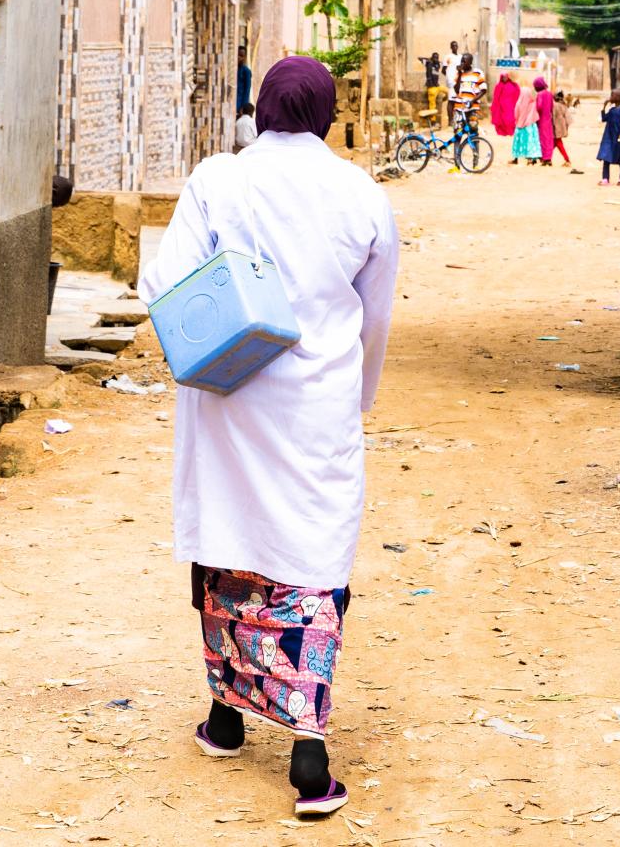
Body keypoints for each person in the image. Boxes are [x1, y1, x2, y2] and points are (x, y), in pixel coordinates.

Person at [137, 55, 399, 820]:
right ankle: (308, 757)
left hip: (228, 396)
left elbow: (162, 286)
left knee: (228, 546)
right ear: (327, 115)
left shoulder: (218, 179)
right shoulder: (363, 196)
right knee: (311, 562)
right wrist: (357, 397)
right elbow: (374, 319)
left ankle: (225, 719)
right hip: (316, 409)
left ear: (259, 111)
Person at [597, 89, 620, 185]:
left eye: (613, 96)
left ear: (619, 98)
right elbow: (603, 119)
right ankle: (605, 179)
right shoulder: (611, 110)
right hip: (609, 137)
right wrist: (604, 107)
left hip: (619, 137)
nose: (611, 97)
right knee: (606, 156)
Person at [450, 53, 488, 130]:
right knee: (457, 133)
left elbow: (483, 90)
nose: (462, 63)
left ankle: (474, 142)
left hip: (473, 107)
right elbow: (456, 90)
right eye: (461, 61)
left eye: (464, 61)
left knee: (473, 131)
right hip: (459, 107)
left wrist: (472, 101)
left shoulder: (477, 73)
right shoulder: (458, 74)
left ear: (470, 62)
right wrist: (460, 73)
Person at [551, 90, 580, 173]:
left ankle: (566, 160)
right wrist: (566, 127)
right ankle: (546, 158)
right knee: (555, 143)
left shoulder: (555, 105)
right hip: (561, 127)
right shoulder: (563, 105)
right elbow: (569, 118)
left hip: (556, 128)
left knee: (557, 143)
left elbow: (552, 116)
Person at [531, 78, 558, 166]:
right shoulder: (549, 94)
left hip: (541, 119)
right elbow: (551, 106)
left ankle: (544, 158)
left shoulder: (540, 94)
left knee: (542, 139)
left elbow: (539, 107)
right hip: (548, 119)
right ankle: (549, 158)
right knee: (549, 139)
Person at [491, 72, 521, 144]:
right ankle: (502, 132)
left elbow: (517, 93)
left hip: (510, 106)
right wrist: (496, 105)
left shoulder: (513, 85)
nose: (505, 78)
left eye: (506, 77)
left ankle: (510, 132)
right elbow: (495, 97)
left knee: (510, 119)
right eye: (503, 77)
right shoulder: (498, 86)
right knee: (501, 120)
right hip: (501, 106)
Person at [236, 46, 253, 113]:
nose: (239, 57)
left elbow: (247, 90)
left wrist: (243, 108)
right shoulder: (233, 69)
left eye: (241, 56)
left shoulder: (246, 71)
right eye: (238, 55)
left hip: (239, 105)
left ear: (244, 57)